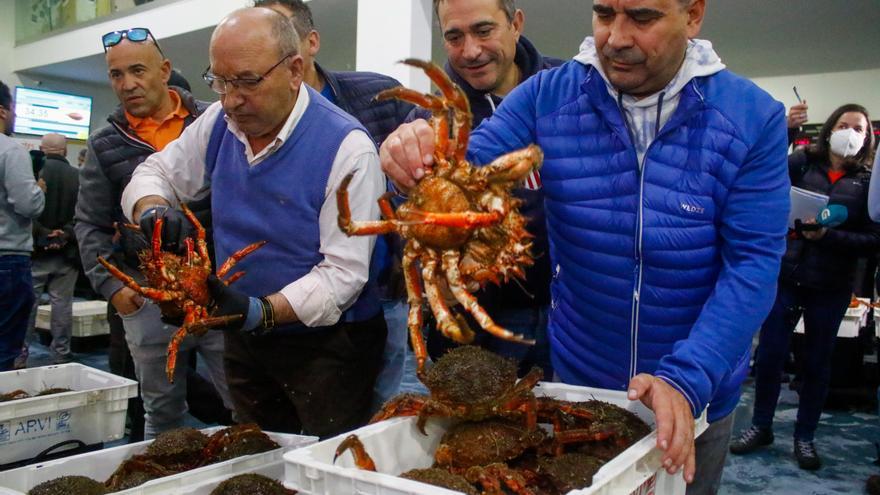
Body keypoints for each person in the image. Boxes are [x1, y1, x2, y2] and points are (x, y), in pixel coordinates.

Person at [379, 1, 790, 492]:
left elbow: (752, 266)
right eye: (604, 14)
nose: (616, 37)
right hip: (580, 387)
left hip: (696, 394)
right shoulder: (546, 97)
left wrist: (688, 378)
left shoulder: (752, 117)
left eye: (641, 17)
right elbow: (466, 170)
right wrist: (416, 164)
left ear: (693, 14)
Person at [121, 7, 388, 438]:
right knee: (253, 450)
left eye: (247, 81)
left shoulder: (348, 148)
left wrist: (260, 311)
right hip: (242, 334)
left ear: (294, 70)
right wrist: (152, 209)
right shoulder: (219, 123)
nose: (230, 99)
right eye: (220, 81)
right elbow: (156, 172)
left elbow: (343, 275)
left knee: (323, 457)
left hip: (330, 346)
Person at [254, 0, 415, 411]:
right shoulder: (253, 116)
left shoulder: (378, 96)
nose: (274, 50)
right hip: (294, 303)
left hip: (382, 291)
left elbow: (427, 157)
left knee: (382, 407)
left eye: (284, 35)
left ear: (311, 42)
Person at [74, 27, 232, 439]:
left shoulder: (216, 121)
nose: (127, 84)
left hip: (219, 289)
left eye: (137, 70)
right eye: (116, 74)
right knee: (160, 411)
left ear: (164, 70)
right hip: (148, 299)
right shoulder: (105, 144)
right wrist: (113, 289)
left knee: (243, 399)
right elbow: (89, 222)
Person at [415, 0, 562, 380]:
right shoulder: (430, 123)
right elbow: (409, 228)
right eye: (454, 37)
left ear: (516, 23)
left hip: (574, 314)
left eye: (483, 31)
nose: (471, 51)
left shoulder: (568, 92)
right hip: (480, 323)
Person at [730, 104, 878, 470]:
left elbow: (873, 240)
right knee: (770, 356)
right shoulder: (803, 163)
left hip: (831, 284)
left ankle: (805, 437)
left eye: (858, 128)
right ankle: (761, 425)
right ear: (829, 129)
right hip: (786, 275)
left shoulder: (868, 182)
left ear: (868, 138)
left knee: (817, 363)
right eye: (843, 124)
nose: (849, 132)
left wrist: (829, 236)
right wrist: (785, 130)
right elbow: (766, 172)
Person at [19, 133, 80, 367]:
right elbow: (83, 214)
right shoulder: (78, 176)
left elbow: (24, 209)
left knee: (27, 305)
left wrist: (44, 234)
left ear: (42, 149)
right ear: (65, 151)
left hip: (34, 251)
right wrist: (64, 234)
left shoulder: (32, 174)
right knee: (62, 305)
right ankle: (61, 353)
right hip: (67, 253)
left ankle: (21, 353)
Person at [0, 80, 45, 371]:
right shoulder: (10, 150)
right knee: (4, 348)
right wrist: (39, 190)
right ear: (2, 111)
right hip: (7, 261)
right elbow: (29, 205)